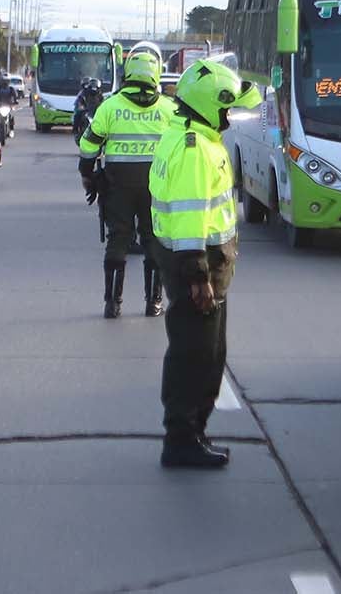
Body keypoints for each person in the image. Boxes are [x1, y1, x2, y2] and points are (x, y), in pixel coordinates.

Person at [149, 58, 260, 468]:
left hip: (199, 266)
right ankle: (182, 439)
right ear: (211, 104)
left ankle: (190, 432)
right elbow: (191, 216)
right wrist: (198, 277)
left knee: (202, 353)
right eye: (227, 107)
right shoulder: (195, 150)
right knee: (197, 356)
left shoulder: (186, 135)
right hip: (198, 269)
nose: (230, 115)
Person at [78, 50, 174, 318]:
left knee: (118, 239)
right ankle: (153, 303)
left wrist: (87, 175)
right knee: (152, 240)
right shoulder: (169, 109)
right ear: (155, 75)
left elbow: (88, 145)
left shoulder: (110, 106)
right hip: (155, 186)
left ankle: (112, 303)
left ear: (127, 73)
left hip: (117, 185)